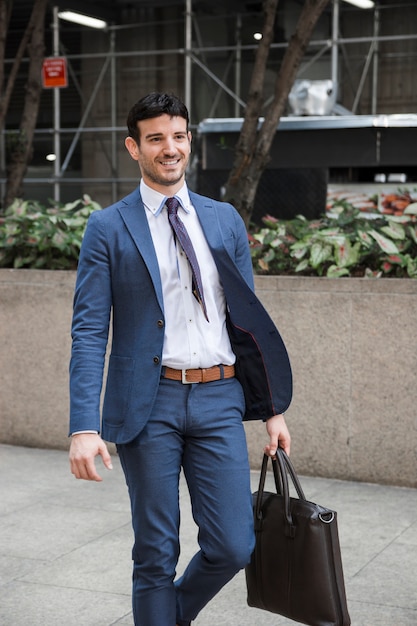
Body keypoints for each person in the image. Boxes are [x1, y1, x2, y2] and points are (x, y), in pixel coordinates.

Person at [69, 92, 292, 626]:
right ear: (134, 147)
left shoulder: (223, 220)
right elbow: (89, 330)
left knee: (234, 546)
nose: (170, 149)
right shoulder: (108, 227)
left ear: (189, 140)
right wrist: (83, 425)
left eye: (179, 136)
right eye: (156, 139)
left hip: (219, 396)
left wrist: (272, 410)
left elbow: (249, 324)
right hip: (150, 403)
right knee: (155, 550)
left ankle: (165, 617)